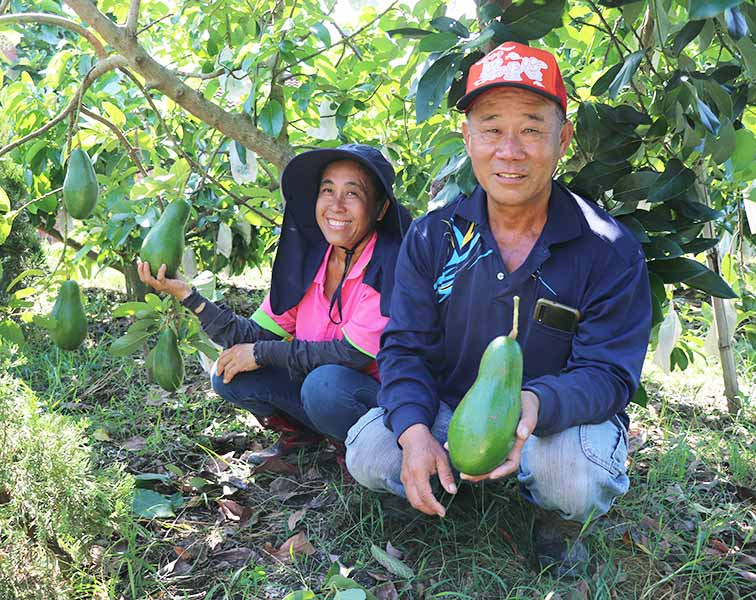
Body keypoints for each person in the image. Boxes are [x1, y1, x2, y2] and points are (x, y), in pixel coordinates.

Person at [345, 42, 651, 578]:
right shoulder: (433, 236)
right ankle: (446, 480)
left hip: (556, 424)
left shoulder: (607, 247)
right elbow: (405, 347)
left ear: (563, 139)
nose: (510, 149)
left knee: (571, 477)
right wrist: (415, 431)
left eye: (532, 128)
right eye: (490, 128)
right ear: (468, 137)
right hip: (453, 411)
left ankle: (551, 517)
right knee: (372, 451)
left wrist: (535, 402)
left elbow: (609, 375)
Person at [139, 143, 411, 465]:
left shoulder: (389, 266)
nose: (336, 205)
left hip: (378, 399)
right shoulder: (312, 262)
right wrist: (188, 296)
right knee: (228, 371)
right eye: (327, 190)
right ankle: (304, 439)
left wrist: (259, 353)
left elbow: (350, 354)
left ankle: (355, 452)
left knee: (323, 386)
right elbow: (252, 334)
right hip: (321, 386)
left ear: (379, 209)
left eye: (352, 194)